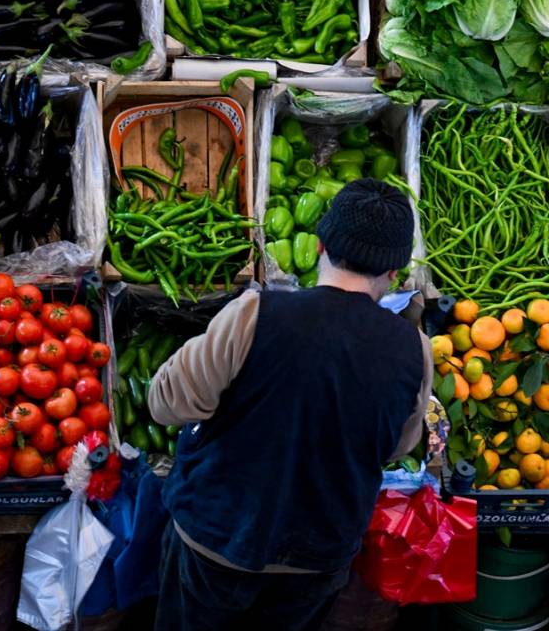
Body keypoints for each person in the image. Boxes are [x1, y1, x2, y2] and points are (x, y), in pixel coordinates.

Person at [148, 178, 432, 631]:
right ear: (395, 272)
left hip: (217, 538)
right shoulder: (413, 349)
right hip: (316, 558)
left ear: (320, 244)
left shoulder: (254, 314)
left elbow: (165, 404)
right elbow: (397, 446)